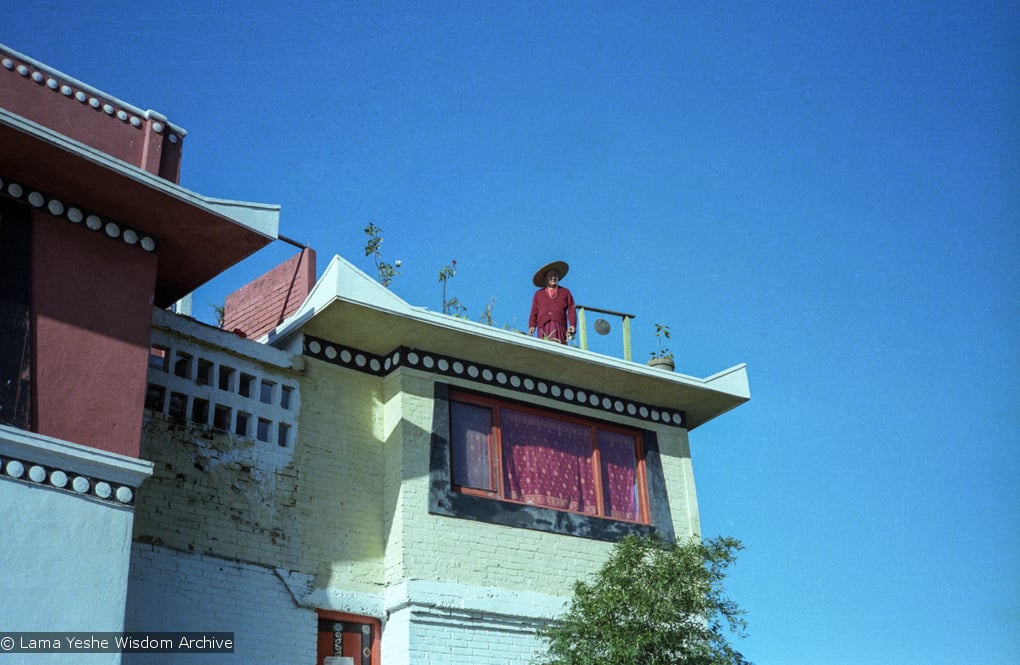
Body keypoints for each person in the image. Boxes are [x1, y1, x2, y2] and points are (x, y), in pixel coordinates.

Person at [528, 260, 576, 344]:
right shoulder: (539, 294)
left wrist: (572, 324)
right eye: (550, 275)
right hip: (543, 326)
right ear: (546, 278)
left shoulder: (565, 292)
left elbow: (572, 309)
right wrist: (532, 325)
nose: (553, 278)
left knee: (559, 345)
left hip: (559, 325)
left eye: (555, 275)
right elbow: (534, 312)